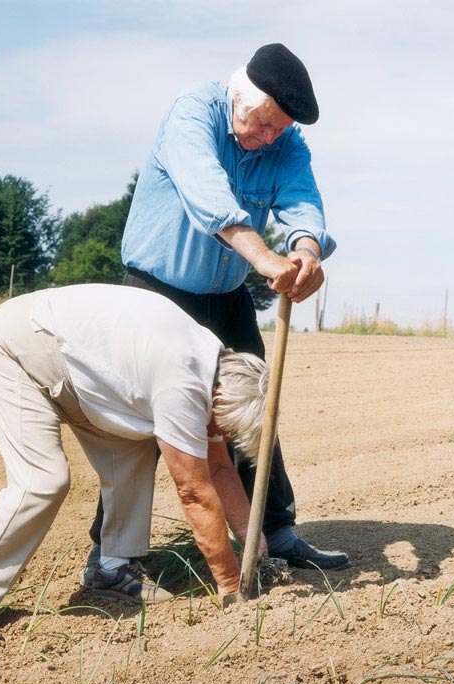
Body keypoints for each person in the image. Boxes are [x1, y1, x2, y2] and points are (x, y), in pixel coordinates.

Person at [84, 43, 350, 579]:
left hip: (226, 298)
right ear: (241, 97)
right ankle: (112, 559)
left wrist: (306, 253)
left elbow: (303, 203)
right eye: (265, 123)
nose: (272, 137)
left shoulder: (287, 142)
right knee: (147, 424)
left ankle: (273, 533)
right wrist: (264, 258)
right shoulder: (194, 110)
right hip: (157, 291)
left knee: (253, 410)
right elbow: (207, 193)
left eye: (282, 129)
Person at [0, 284, 270, 645]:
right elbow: (194, 493)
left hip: (78, 371)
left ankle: (111, 568)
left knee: (135, 446)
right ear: (220, 399)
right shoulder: (183, 382)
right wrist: (233, 586)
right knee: (44, 480)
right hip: (18, 346)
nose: (222, 435)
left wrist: (255, 545)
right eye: (226, 426)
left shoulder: (213, 366)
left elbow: (219, 469)